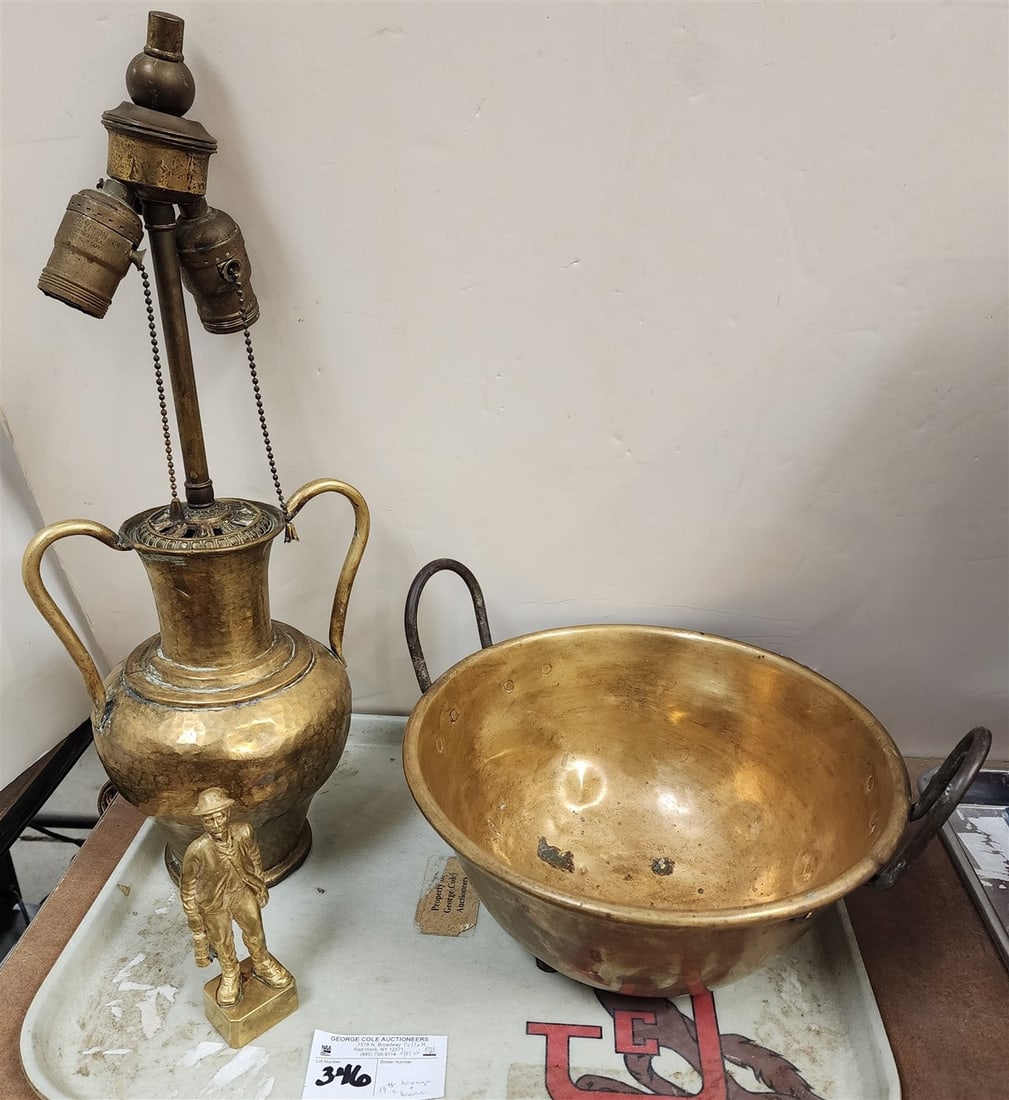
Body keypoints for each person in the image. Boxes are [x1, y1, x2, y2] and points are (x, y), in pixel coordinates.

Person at [180, 787, 293, 1007]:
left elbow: (254, 857)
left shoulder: (244, 831)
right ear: (203, 822)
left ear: (228, 814)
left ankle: (262, 963)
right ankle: (230, 974)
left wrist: (260, 884)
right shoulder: (197, 850)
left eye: (219, 816)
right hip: (214, 903)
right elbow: (188, 886)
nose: (216, 824)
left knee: (255, 932)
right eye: (209, 820)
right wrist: (193, 917)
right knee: (222, 941)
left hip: (242, 892)